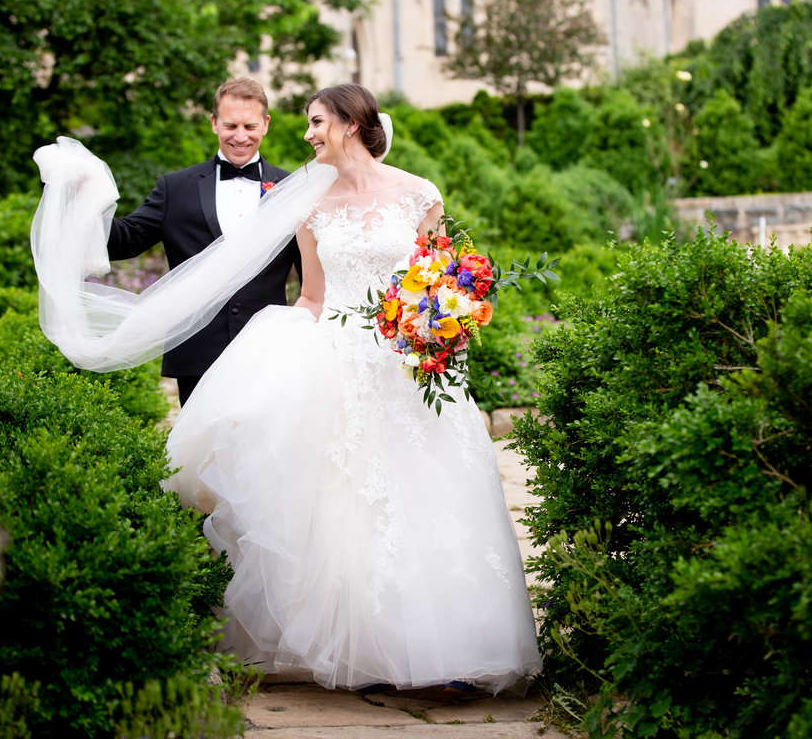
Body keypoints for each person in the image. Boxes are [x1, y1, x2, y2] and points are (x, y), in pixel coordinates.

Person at [29, 83, 542, 695]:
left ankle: (456, 646)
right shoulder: (308, 203)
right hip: (341, 363)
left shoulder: (420, 195)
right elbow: (314, 297)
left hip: (412, 367)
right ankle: (372, 648)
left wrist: (444, 325)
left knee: (432, 494)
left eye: (317, 122)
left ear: (352, 124)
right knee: (347, 508)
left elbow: (432, 279)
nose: (308, 134)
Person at [107, 78, 298, 404]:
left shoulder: (293, 189)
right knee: (200, 455)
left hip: (267, 350)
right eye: (230, 125)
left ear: (266, 125)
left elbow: (313, 277)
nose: (240, 136)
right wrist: (83, 204)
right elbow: (125, 240)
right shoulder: (175, 187)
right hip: (196, 352)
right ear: (213, 123)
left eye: (250, 125)